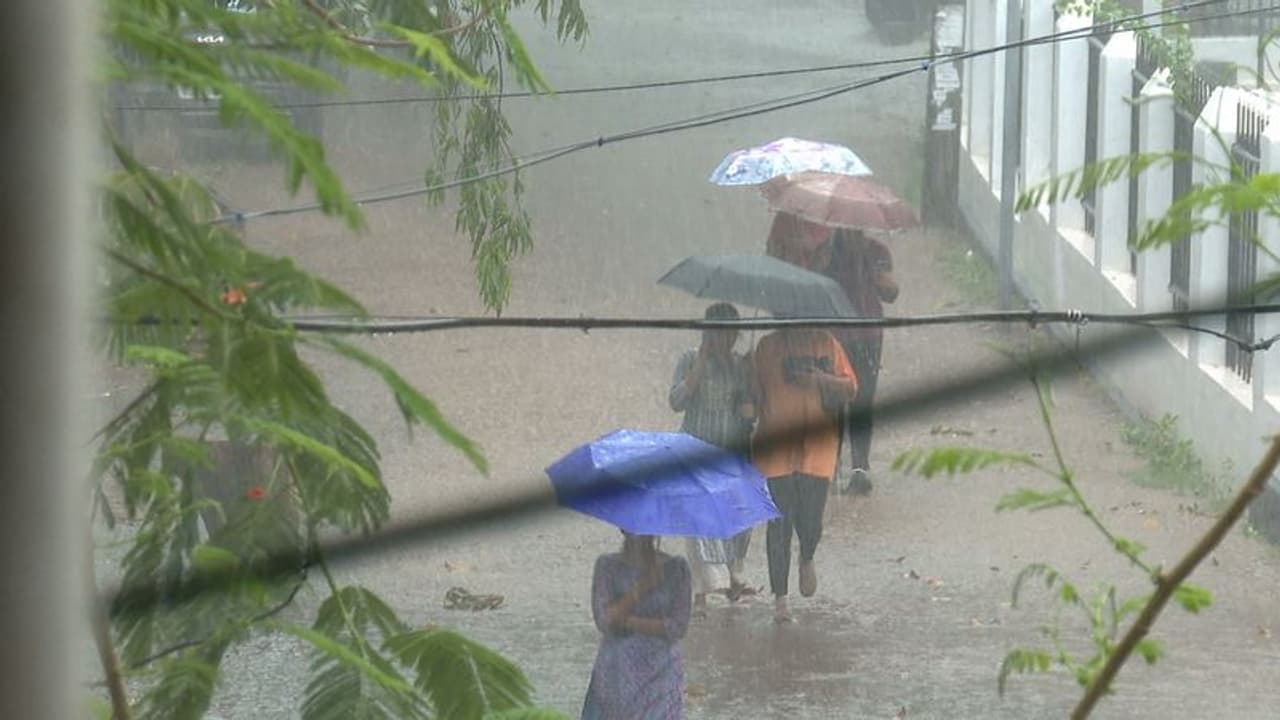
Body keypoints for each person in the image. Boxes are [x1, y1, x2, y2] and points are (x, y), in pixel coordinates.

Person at [749, 324, 858, 622]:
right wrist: (750, 386)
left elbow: (851, 388)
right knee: (778, 526)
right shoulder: (767, 347)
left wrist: (819, 380)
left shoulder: (826, 343)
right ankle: (780, 601)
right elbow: (753, 400)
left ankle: (807, 554)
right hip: (776, 449)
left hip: (818, 449)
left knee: (811, 522)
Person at [668, 302, 757, 615]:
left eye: (731, 335)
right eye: (719, 334)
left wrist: (750, 397)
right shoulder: (690, 359)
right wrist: (700, 365)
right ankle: (700, 594)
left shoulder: (740, 365)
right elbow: (676, 401)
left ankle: (732, 575)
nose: (725, 341)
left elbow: (749, 413)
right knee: (698, 522)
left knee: (741, 514)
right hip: (694, 449)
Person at [816, 229, 899, 495]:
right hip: (834, 336)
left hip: (868, 336)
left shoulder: (876, 252)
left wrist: (872, 273)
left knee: (863, 398)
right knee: (834, 398)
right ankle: (830, 464)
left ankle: (860, 467)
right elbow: (812, 284)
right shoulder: (826, 250)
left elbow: (892, 292)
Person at [582, 532, 692, 720]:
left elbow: (678, 626)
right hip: (617, 671)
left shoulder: (677, 568)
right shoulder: (607, 566)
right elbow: (604, 620)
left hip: (662, 671)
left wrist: (630, 622)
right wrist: (642, 587)